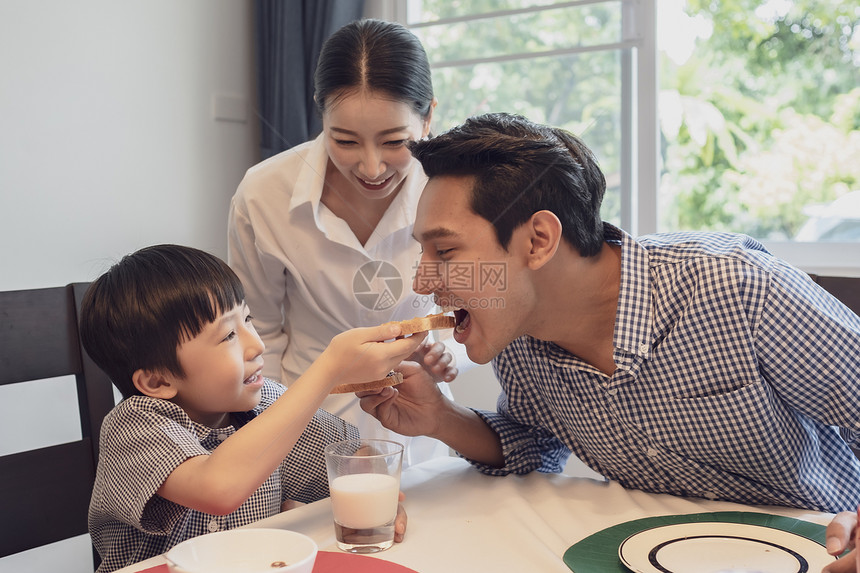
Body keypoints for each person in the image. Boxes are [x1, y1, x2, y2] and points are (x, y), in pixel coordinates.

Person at [358, 112, 860, 514]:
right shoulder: (518, 337)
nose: (422, 282)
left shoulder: (737, 288)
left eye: (444, 253)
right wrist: (442, 417)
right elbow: (535, 447)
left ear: (538, 241)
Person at [80, 244, 421, 572]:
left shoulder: (268, 403)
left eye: (248, 319)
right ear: (157, 383)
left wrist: (375, 499)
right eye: (229, 335)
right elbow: (217, 487)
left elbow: (352, 459)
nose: (256, 344)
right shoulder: (133, 427)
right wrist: (328, 369)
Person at [228, 18, 464, 466]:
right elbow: (259, 333)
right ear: (321, 114)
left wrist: (447, 352)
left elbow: (474, 308)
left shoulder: (454, 190)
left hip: (423, 437)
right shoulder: (264, 194)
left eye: (395, 141)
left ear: (429, 115)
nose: (371, 168)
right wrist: (274, 448)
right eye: (346, 140)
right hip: (309, 438)